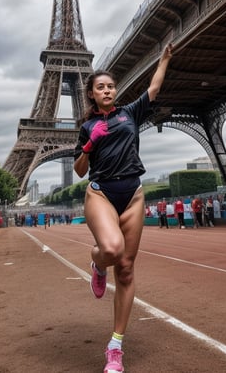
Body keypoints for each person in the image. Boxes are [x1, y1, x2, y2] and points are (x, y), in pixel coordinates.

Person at [74, 43, 173, 373]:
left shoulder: (129, 113)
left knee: (127, 269)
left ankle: (115, 346)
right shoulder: (87, 126)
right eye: (101, 87)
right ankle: (97, 262)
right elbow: (78, 170)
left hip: (133, 193)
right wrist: (89, 144)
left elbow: (154, 89)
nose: (107, 90)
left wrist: (164, 60)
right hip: (101, 192)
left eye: (111, 86)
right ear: (92, 94)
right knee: (112, 250)